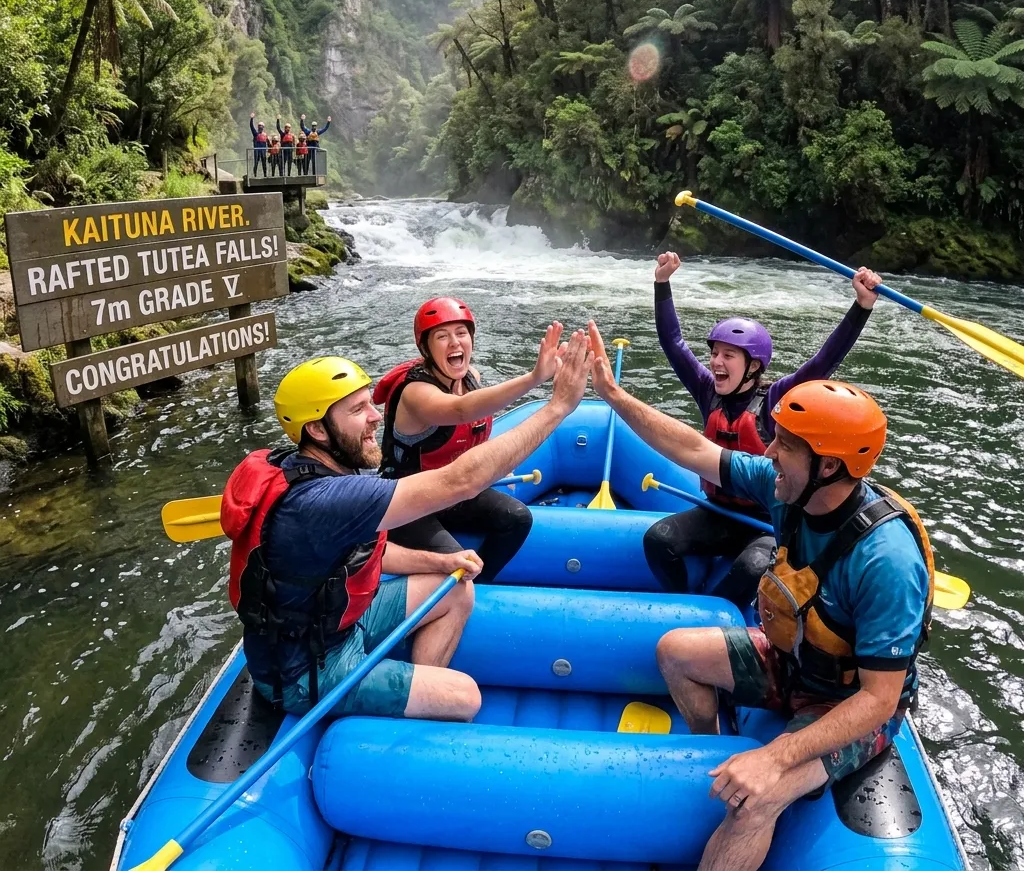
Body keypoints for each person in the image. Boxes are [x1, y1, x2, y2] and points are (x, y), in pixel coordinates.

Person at [587, 320, 933, 871]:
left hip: (846, 703)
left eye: (784, 446)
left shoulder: (885, 560)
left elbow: (879, 701)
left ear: (828, 466)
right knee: (675, 651)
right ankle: (714, 744)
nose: (768, 451)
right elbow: (693, 449)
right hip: (794, 661)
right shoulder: (788, 493)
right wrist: (612, 394)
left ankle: (746, 783)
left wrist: (775, 757)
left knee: (756, 800)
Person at [221, 334, 592, 719]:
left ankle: (415, 694)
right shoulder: (327, 499)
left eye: (369, 403)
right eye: (357, 410)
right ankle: (417, 703)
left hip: (340, 622)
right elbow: (460, 481)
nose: (376, 416)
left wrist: (439, 563)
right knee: (464, 696)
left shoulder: (307, 470)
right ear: (317, 430)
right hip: (306, 670)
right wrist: (557, 408)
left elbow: (368, 552)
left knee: (457, 591)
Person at [646, 252, 883, 607]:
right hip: (718, 511)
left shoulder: (774, 399)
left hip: (766, 520)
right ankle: (685, 603)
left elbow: (823, 363)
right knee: (658, 540)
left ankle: (719, 615)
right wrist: (662, 283)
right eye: (715, 354)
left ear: (753, 365)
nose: (716, 362)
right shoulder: (708, 390)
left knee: (753, 566)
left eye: (729, 356)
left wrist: (861, 307)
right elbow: (673, 343)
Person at [374, 298, 563, 584]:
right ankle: (460, 589)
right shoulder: (416, 393)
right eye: (442, 336)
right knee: (456, 564)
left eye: (461, 334)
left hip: (451, 491)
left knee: (517, 518)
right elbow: (460, 410)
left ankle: (482, 587)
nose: (454, 343)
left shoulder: (472, 377)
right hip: (408, 501)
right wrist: (534, 378)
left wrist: (495, 465)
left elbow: (471, 432)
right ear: (425, 347)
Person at [249, 113, 268, 177]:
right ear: (258, 127)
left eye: (261, 126)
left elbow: (268, 143)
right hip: (257, 150)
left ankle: (265, 174)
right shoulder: (255, 133)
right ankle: (255, 175)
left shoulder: (265, 135)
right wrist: (251, 119)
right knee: (256, 163)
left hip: (263, 151)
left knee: (264, 163)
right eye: (259, 126)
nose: (260, 127)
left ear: (263, 127)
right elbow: (251, 127)